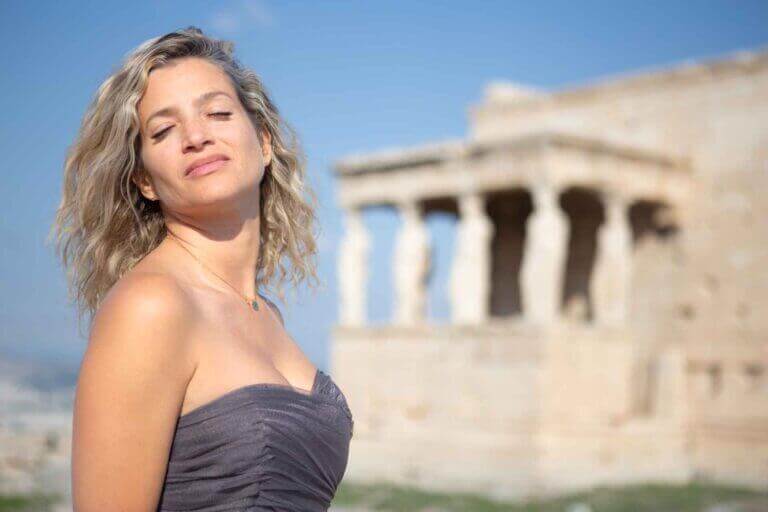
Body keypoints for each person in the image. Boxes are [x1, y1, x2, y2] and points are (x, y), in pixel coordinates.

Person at [50, 26, 354, 511]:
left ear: (265, 141)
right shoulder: (150, 306)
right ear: (145, 180)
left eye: (216, 112)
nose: (196, 136)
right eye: (163, 130)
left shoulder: (264, 312)